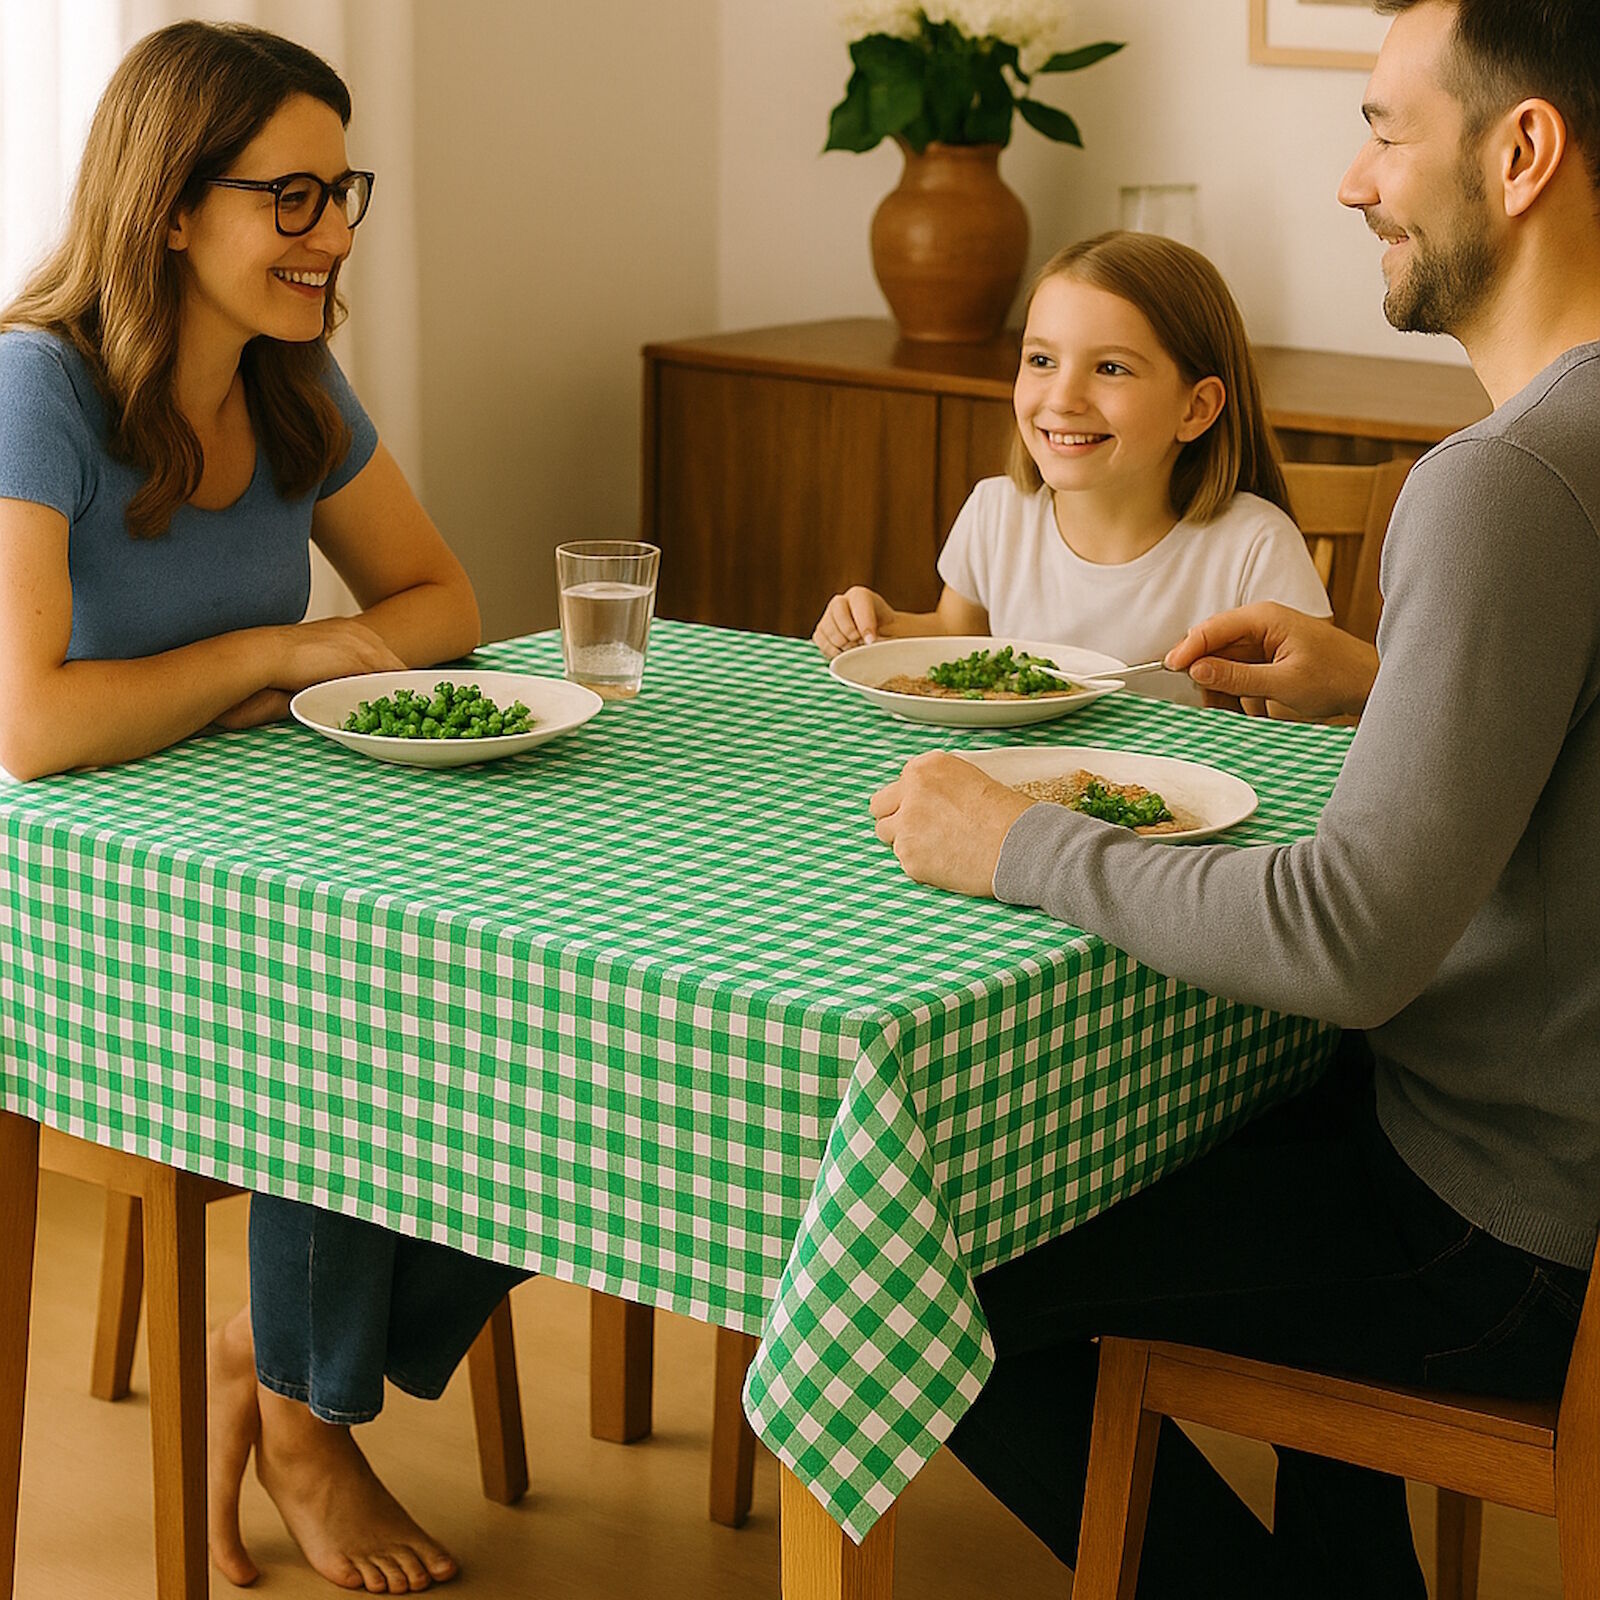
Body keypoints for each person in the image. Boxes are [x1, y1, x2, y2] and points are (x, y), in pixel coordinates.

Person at [868, 0, 1600, 1593]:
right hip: (1559, 1164)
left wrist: (1015, 842)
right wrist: (1385, 684)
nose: (1353, 180)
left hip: (1499, 1222)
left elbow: (1348, 943)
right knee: (1234, 1110)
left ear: (1523, 151)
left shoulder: (1507, 480)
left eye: (1389, 131)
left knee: (943, 1276)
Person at [0, 23, 526, 1594]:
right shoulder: (39, 388)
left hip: (270, 854)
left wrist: (266, 680)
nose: (335, 235)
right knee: (356, 1011)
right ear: (171, 204)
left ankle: (262, 1349)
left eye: (342, 191)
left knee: (540, 1025)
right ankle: (305, 1416)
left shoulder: (294, 386)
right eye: (291, 199)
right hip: (78, 917)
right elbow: (31, 725)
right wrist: (274, 652)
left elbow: (442, 601)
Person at [812, 231, 1332, 704]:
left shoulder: (1253, 545)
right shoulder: (997, 513)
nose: (1062, 399)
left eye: (1110, 368)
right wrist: (877, 629)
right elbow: (954, 632)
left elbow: (1310, 715)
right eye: (1041, 361)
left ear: (1195, 409)